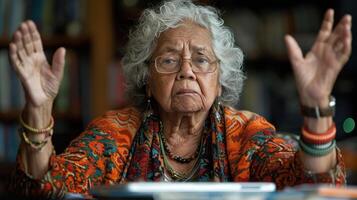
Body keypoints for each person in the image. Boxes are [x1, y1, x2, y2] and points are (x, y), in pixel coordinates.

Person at [8, 0, 351, 198]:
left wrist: (316, 107)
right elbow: (46, 190)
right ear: (147, 79)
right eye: (169, 60)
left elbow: (312, 188)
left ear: (220, 79)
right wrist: (38, 107)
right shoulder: (116, 132)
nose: (187, 71)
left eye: (201, 59)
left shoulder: (245, 132)